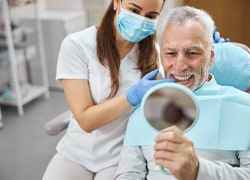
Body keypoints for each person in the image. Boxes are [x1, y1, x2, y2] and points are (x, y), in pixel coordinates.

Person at [115, 6, 250, 180]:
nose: (179, 66)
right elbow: (128, 173)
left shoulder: (244, 108)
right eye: (170, 53)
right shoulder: (144, 106)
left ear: (211, 56)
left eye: (192, 53)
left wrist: (198, 170)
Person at [42, 0, 171, 179]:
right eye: (134, 10)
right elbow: (86, 121)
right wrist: (133, 96)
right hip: (75, 152)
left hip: (121, 156)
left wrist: (209, 49)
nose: (141, 20)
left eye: (150, 16)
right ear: (117, 2)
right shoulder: (77, 45)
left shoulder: (154, 56)